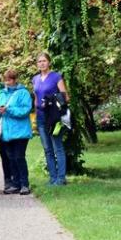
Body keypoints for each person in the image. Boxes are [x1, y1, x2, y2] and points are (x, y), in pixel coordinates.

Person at [31, 52, 69, 186]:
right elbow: (36, 98)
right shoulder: (35, 79)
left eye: (44, 61)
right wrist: (36, 112)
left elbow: (65, 97)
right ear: (37, 64)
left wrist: (50, 102)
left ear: (49, 62)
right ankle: (52, 178)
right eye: (39, 61)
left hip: (54, 117)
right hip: (41, 118)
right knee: (47, 149)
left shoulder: (56, 77)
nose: (42, 63)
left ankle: (61, 178)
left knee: (57, 147)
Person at [0, 69, 33, 195]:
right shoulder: (2, 93)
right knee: (11, 158)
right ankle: (15, 184)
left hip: (20, 132)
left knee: (19, 157)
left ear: (15, 79)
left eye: (10, 79)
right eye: (6, 79)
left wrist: (8, 109)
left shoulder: (23, 93)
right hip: (7, 132)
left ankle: (24, 184)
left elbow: (25, 111)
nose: (7, 82)